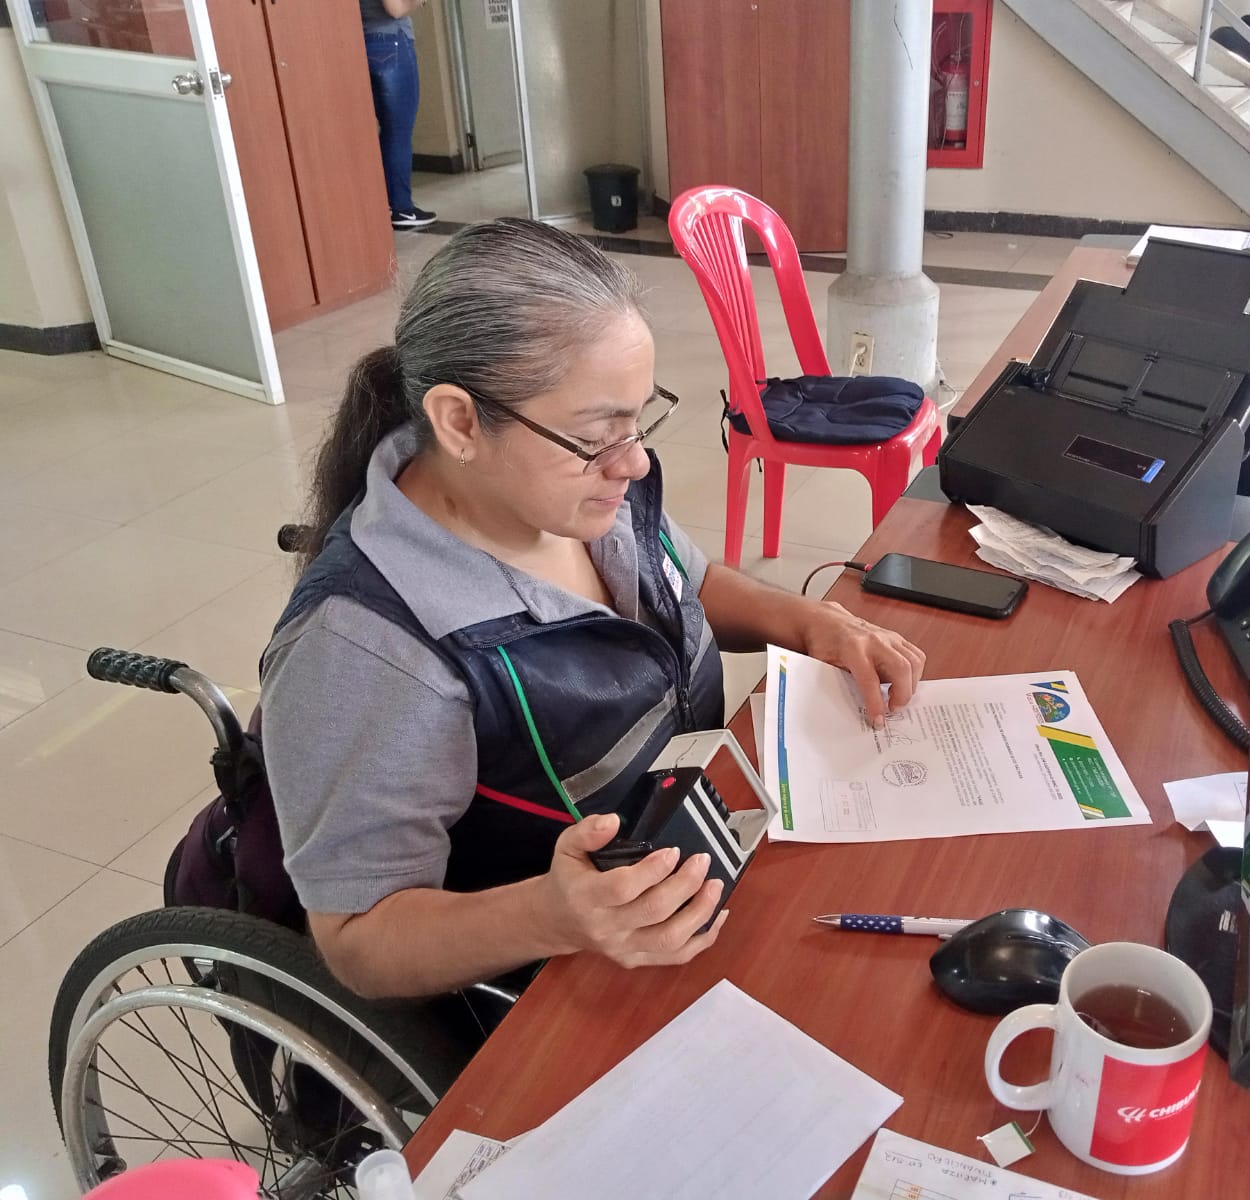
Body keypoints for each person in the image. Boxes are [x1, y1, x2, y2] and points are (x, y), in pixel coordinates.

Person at [261, 219, 926, 1001]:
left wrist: (814, 623)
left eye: (638, 421)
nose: (634, 461)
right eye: (596, 435)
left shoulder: (580, 493)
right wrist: (550, 916)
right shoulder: (368, 651)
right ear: (460, 421)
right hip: (552, 983)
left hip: (688, 866)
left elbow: (688, 584)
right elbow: (358, 943)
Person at [360, 0, 436, 229]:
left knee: (385, 130)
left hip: (364, 41)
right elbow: (395, 8)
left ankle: (386, 204)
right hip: (391, 43)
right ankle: (401, 208)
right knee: (398, 130)